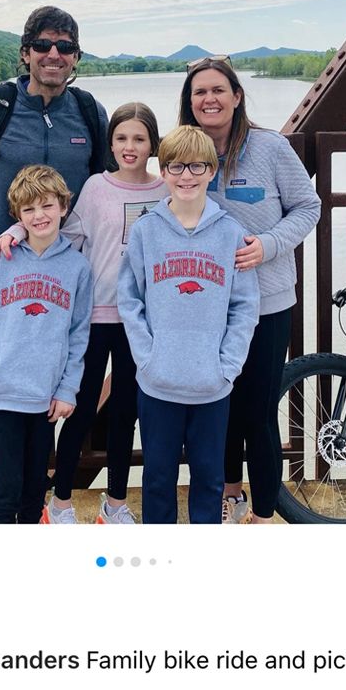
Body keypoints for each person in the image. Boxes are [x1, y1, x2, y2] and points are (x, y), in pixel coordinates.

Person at [0, 7, 109, 523]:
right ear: (25, 52)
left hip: (64, 275)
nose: (53, 55)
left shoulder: (87, 113)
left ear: (76, 58)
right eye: (43, 45)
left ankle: (30, 506)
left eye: (65, 47)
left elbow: (107, 190)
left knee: (47, 399)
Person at [0, 102, 165, 524]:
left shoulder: (164, 191)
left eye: (139, 139)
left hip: (140, 321)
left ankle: (116, 504)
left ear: (152, 145)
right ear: (110, 143)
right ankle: (60, 501)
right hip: (94, 315)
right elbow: (58, 230)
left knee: (127, 413)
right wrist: (16, 228)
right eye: (121, 138)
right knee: (81, 409)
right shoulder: (95, 188)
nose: (130, 146)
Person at [179, 57, 321, 524]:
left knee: (257, 414)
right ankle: (230, 495)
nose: (209, 99)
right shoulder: (184, 155)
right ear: (189, 102)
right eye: (200, 92)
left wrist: (270, 245)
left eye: (218, 90)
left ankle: (262, 514)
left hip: (267, 304)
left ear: (237, 96)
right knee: (218, 408)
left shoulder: (271, 148)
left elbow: (307, 206)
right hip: (206, 307)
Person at [118, 125, 259, 524]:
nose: (187, 176)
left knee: (210, 480)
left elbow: (244, 306)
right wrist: (148, 358)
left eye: (197, 166)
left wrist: (227, 366)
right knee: (158, 478)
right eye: (176, 166)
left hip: (211, 385)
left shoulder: (230, 232)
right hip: (158, 381)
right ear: (162, 172)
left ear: (212, 171)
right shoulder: (146, 230)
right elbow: (129, 299)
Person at [0, 166, 94, 523]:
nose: (39, 216)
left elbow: (79, 334)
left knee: (34, 487)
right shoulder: (1, 258)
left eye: (47, 206)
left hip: (45, 397)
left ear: (63, 207)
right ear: (18, 216)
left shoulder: (77, 267)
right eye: (29, 210)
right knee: (6, 488)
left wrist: (67, 389)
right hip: (4, 393)